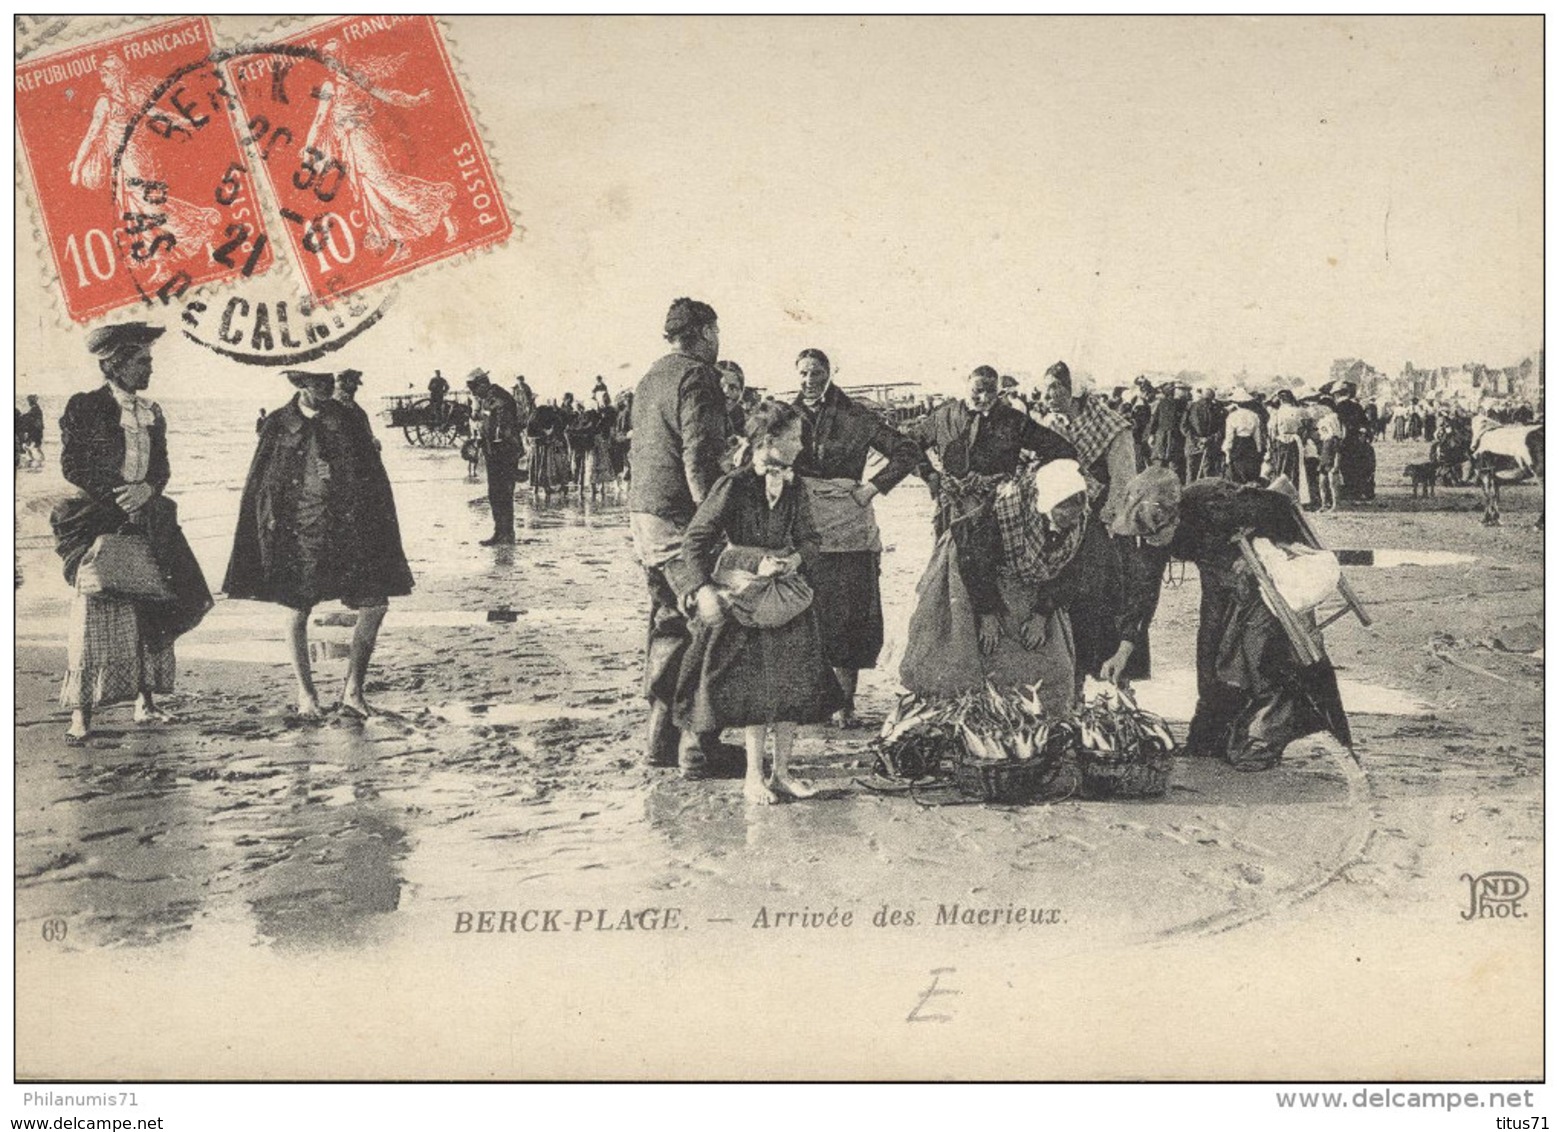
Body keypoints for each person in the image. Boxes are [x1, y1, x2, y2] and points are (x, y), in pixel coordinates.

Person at [1118, 472, 1351, 769]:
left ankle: (1289, 730)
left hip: (1265, 586)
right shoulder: (1154, 539)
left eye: (1154, 532)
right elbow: (1144, 590)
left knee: (1265, 659)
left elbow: (1280, 507)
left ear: (1172, 514)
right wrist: (1126, 644)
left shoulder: (1212, 500)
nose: (1151, 541)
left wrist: (1260, 547)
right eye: (1145, 535)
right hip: (1218, 585)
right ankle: (1208, 739)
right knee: (1209, 655)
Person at [51, 322, 213, 740]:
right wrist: (121, 497)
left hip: (147, 515)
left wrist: (147, 490)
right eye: (143, 362)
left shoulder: (152, 412)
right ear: (116, 365)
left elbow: (161, 469)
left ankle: (147, 702)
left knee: (154, 602)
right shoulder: (85, 406)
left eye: (150, 362)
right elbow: (75, 467)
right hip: (97, 518)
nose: (150, 370)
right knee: (96, 608)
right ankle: (81, 715)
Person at [676, 401, 844, 804]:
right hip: (744, 593)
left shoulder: (796, 484)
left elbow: (811, 539)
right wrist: (704, 589)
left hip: (786, 595)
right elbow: (695, 540)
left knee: (792, 687)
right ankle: (753, 776)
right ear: (769, 441)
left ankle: (782, 773)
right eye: (795, 438)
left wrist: (797, 559)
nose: (802, 445)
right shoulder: (734, 484)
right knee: (754, 689)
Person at [225, 371, 413, 718]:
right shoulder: (279, 423)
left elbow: (371, 475)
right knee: (297, 609)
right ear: (299, 384)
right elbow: (262, 483)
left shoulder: (350, 416)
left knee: (374, 604)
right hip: (301, 529)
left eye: (330, 380)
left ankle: (353, 691)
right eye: (319, 382)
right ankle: (306, 695)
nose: (329, 387)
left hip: (349, 528)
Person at [627, 297, 732, 774]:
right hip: (681, 521)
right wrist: (718, 523)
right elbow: (698, 457)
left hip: (644, 518)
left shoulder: (651, 377)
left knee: (668, 623)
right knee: (711, 626)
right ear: (707, 332)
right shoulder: (698, 376)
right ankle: (696, 746)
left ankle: (658, 743)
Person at [791, 347, 923, 727]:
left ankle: (844, 701)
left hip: (849, 526)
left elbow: (906, 450)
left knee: (849, 614)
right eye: (803, 373)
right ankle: (811, 699)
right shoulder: (788, 416)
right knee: (805, 610)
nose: (810, 380)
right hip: (803, 523)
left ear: (831, 372)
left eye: (817, 372)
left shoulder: (855, 414)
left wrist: (872, 488)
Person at [909, 366, 1076, 657]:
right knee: (952, 580)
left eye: (990, 391)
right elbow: (907, 444)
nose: (984, 397)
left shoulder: (1013, 420)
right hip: (953, 513)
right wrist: (930, 475)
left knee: (996, 577)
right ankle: (956, 659)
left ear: (998, 391)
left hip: (999, 514)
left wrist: (1025, 482)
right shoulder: (944, 416)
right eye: (977, 390)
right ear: (965, 386)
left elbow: (1061, 448)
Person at [1034, 361, 1137, 525]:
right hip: (1062, 513)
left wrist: (1108, 517)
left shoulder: (1112, 427)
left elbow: (1124, 481)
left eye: (1054, 387)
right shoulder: (1051, 423)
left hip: (1098, 516)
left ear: (1074, 390)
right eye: (1045, 388)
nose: (1045, 396)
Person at [465, 369, 522, 544]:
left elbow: (504, 428)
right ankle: (500, 532)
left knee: (503, 493)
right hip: (493, 452)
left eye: (475, 389)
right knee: (494, 493)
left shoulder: (500, 398)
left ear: (483, 383)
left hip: (504, 452)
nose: (473, 393)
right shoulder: (486, 399)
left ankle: (507, 534)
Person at [1333, 382, 1375, 501]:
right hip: (1358, 440)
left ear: (1337, 394)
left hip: (1346, 440)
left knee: (1346, 467)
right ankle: (1361, 492)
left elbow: (1340, 425)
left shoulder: (1338, 407)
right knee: (1359, 466)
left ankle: (1351, 492)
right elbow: (1366, 422)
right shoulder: (1357, 406)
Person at [526, 400, 573, 497]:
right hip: (546, 447)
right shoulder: (551, 416)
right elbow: (554, 433)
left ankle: (537, 489)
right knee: (549, 468)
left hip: (536, 447)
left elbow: (529, 434)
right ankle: (552, 488)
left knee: (538, 468)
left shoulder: (534, 416)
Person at [579, 389, 619, 497]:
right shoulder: (598, 414)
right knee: (600, 463)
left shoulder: (592, 414)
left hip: (595, 442)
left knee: (594, 464)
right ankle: (600, 489)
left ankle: (595, 489)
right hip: (599, 441)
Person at [1221, 389, 1265, 484]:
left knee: (1237, 472)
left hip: (1237, 444)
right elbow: (1257, 435)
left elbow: (1229, 436)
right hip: (1250, 444)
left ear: (1236, 403)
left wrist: (1227, 453)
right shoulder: (1254, 415)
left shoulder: (1232, 416)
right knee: (1250, 471)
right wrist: (1258, 449)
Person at [1181, 384, 1223, 481]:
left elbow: (1184, 426)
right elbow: (1221, 429)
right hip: (1207, 444)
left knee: (1191, 471)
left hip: (1193, 444)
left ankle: (1189, 494)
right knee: (1207, 473)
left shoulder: (1191, 407)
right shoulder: (1215, 409)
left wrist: (1196, 439)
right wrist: (1208, 439)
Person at [1148, 381, 1187, 482]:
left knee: (1161, 462)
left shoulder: (1162, 403)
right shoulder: (1181, 404)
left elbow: (1155, 420)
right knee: (1174, 463)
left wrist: (1152, 435)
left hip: (1162, 435)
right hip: (1173, 436)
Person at [1310, 397, 1343, 511]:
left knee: (1333, 484)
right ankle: (1324, 504)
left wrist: (1336, 465)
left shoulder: (1334, 439)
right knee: (1322, 483)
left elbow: (1338, 452)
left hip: (1330, 459)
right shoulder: (1325, 438)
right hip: (1324, 457)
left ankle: (1335, 505)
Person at [717, 360, 748, 441]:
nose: (726, 392)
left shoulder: (740, 418)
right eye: (720, 386)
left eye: (733, 388)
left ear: (741, 391)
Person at [19, 394, 45, 466]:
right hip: (36, 431)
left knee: (29, 446)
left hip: (35, 432)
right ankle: (37, 459)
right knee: (34, 446)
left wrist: (21, 417)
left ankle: (36, 459)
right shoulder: (36, 409)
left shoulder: (35, 409)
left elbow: (29, 417)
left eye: (29, 401)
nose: (28, 402)